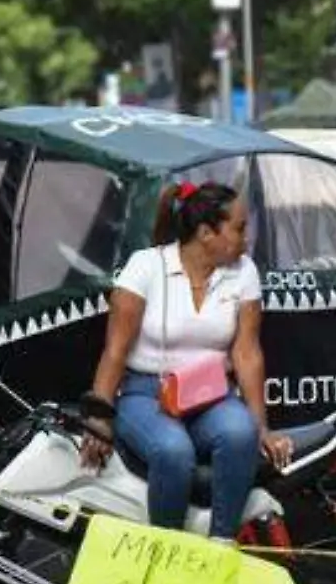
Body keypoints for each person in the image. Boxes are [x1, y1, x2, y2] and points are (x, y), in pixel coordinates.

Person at [80, 183, 293, 541]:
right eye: (239, 228)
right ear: (206, 233)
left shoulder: (244, 272)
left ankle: (220, 543)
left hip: (210, 396)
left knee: (240, 432)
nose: (246, 239)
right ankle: (170, 551)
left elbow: (247, 353)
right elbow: (115, 349)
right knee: (173, 452)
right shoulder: (145, 266)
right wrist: (98, 419)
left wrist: (262, 427)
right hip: (145, 393)